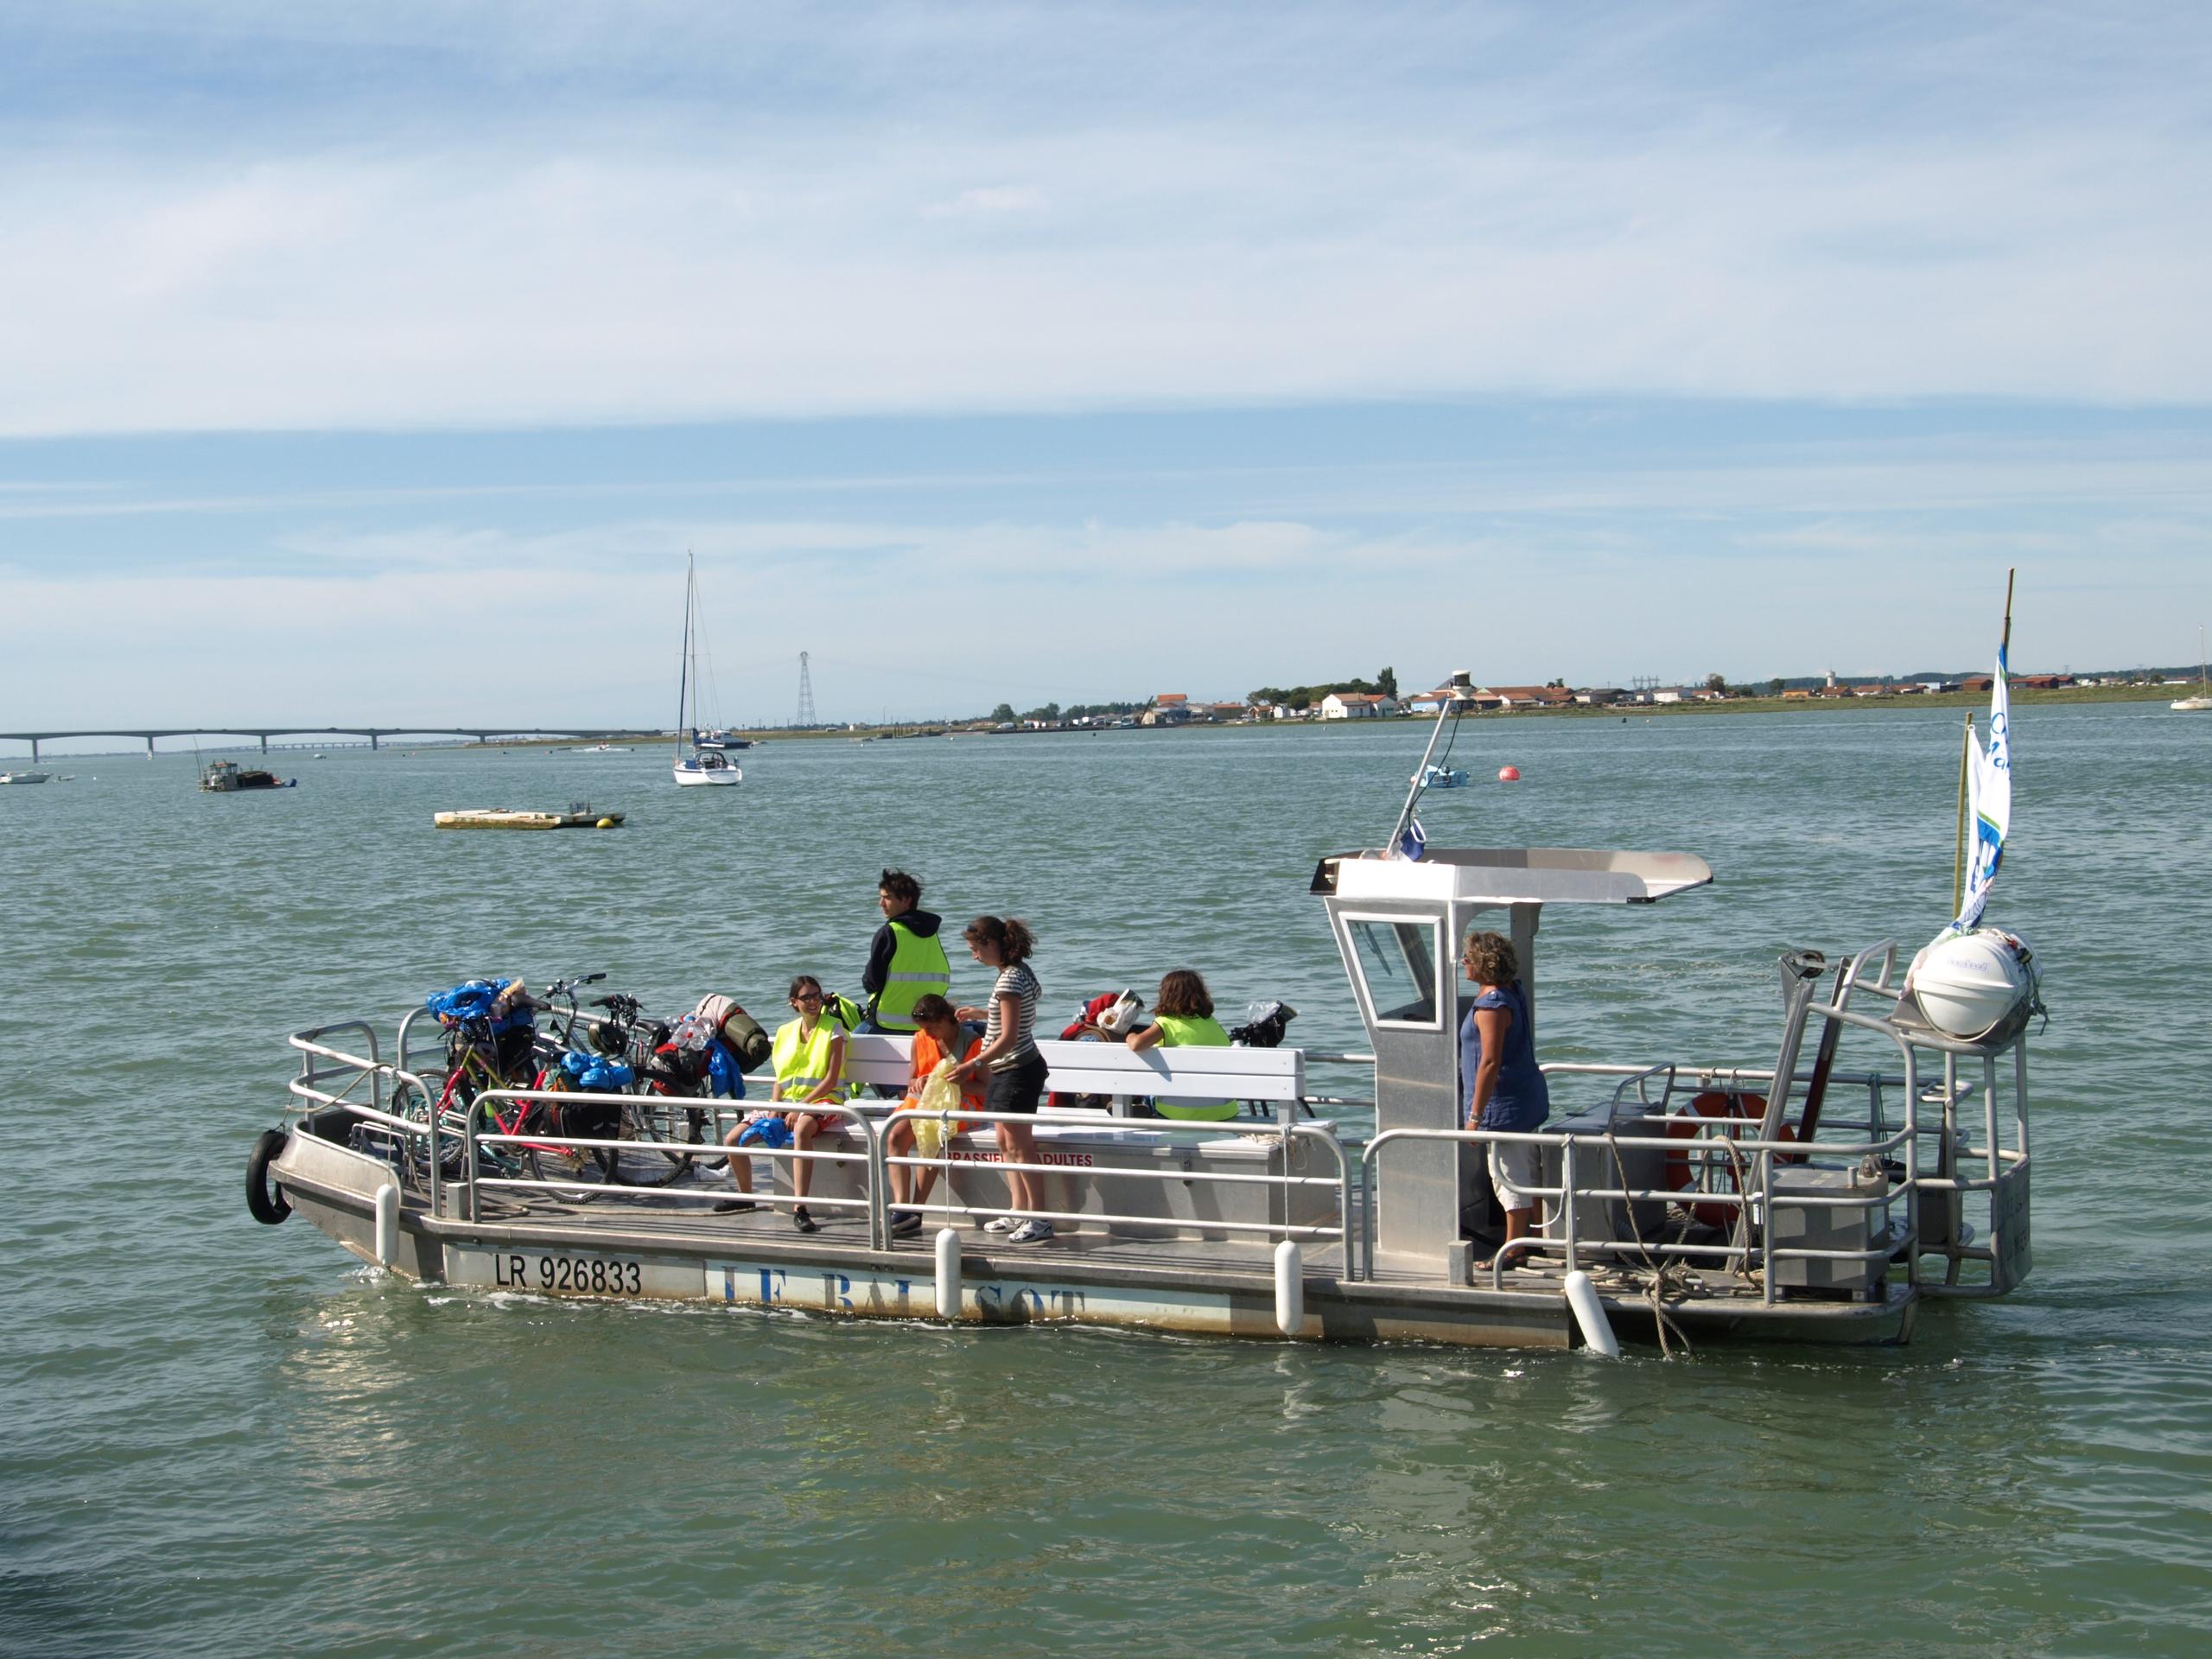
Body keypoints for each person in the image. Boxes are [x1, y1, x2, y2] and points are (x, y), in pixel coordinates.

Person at [716, 975, 849, 1230]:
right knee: (733, 1139)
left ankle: (800, 1207)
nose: (813, 1002)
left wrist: (801, 1108)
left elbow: (832, 1079)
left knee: (802, 1129)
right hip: (789, 1101)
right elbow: (780, 1078)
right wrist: (776, 1107)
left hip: (824, 1101)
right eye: (806, 997)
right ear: (793, 1002)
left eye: (817, 996)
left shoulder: (834, 1028)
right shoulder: (785, 1032)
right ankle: (746, 1198)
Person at [952, 916, 1052, 1243]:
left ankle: (1039, 1217)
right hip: (1008, 1069)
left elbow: (1008, 1037)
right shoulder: (1017, 973)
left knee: (1020, 1146)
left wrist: (973, 1065)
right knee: (1003, 1142)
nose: (974, 956)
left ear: (993, 944)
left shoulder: (1010, 980)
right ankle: (1019, 1208)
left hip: (1017, 1068)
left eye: (976, 949)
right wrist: (982, 1014)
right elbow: (1018, 1016)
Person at [1459, 931, 1551, 1268]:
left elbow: (1489, 1061)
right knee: (1525, 1169)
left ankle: (1514, 1251)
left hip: (1505, 1105)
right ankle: (1534, 1239)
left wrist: (1475, 1116)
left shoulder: (1492, 1004)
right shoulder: (1511, 991)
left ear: (1484, 964)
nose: (1463, 963)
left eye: (1468, 958)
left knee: (1507, 1177)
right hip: (1524, 1098)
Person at [884, 993, 985, 1236]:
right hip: (926, 1101)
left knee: (930, 1133)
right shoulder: (920, 1039)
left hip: (963, 1102)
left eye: (932, 1028)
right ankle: (902, 1206)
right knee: (895, 1135)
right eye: (924, 1029)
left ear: (945, 1020)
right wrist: (919, 1082)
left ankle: (917, 1209)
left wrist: (950, 1082)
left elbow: (984, 1088)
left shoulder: (973, 1043)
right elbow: (911, 1079)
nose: (928, 1034)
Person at [1125, 970, 1237, 1122]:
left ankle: (1137, 1105)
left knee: (1149, 1085)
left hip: (1179, 1112)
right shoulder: (1212, 1023)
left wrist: (1130, 1035)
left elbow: (1136, 1045)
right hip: (1223, 1111)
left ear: (1166, 995)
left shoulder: (1166, 1024)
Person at [861, 869, 952, 1036]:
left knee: (845, 1046)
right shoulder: (933, 934)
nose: (881, 903)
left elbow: (872, 981)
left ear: (906, 900)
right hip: (925, 1024)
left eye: (887, 898)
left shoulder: (889, 932)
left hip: (886, 1022)